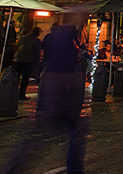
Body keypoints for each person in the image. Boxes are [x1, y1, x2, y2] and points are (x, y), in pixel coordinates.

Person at [3, 15, 88, 173]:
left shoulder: (54, 40)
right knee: (68, 134)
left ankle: (12, 168)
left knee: (35, 137)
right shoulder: (66, 43)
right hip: (60, 93)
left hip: (52, 86)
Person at [13, 27, 41, 100]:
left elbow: (16, 46)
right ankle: (21, 95)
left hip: (18, 60)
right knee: (24, 80)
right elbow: (37, 53)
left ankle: (12, 93)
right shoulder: (37, 41)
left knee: (15, 79)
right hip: (28, 61)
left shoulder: (22, 38)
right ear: (38, 33)